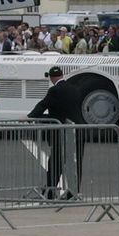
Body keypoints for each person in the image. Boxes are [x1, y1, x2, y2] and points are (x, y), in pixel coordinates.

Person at [27, 66, 84, 199]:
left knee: (56, 163)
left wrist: (30, 117)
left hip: (63, 132)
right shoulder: (75, 89)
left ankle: (50, 191)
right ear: (62, 75)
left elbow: (43, 104)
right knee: (75, 163)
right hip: (79, 131)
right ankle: (73, 192)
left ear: (52, 78)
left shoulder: (54, 90)